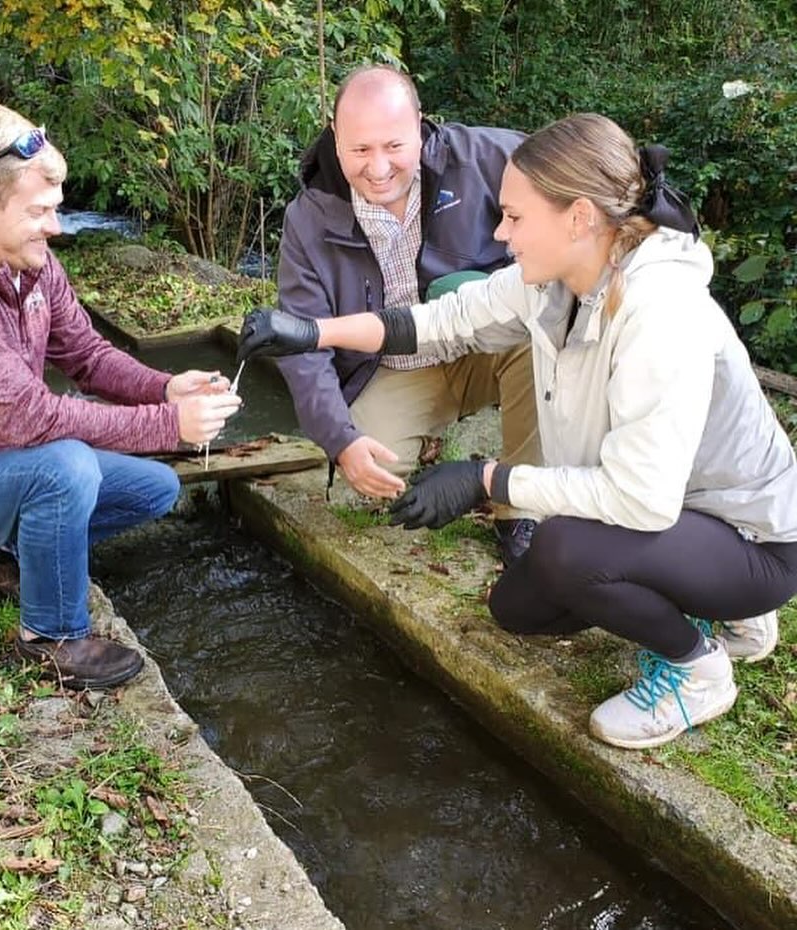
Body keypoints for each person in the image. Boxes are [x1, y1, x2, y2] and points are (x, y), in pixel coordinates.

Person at [236, 112, 797, 750]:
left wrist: (485, 480)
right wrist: (312, 331)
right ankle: (704, 594)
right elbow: (436, 320)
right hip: (674, 517)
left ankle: (697, 669)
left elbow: (641, 498)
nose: (501, 233)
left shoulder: (660, 314)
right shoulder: (557, 281)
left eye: (515, 217)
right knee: (518, 610)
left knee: (565, 551)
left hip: (750, 536)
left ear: (579, 217)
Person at [0, 102, 242, 690]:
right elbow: (31, 417)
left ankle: (4, 554)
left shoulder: (35, 267)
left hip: (7, 472)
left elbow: (88, 358)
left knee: (157, 487)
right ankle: (51, 637)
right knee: (65, 466)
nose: (56, 227)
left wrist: (166, 386)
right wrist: (169, 425)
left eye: (57, 209)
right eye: (39, 211)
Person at [274, 64, 541, 565]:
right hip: (392, 369)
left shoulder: (487, 159)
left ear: (420, 124)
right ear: (336, 138)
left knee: (535, 335)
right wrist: (340, 442)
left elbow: (579, 176)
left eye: (394, 146)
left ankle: (516, 506)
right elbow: (304, 348)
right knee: (369, 492)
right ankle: (442, 455)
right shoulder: (308, 218)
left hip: (487, 347)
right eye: (360, 150)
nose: (378, 168)